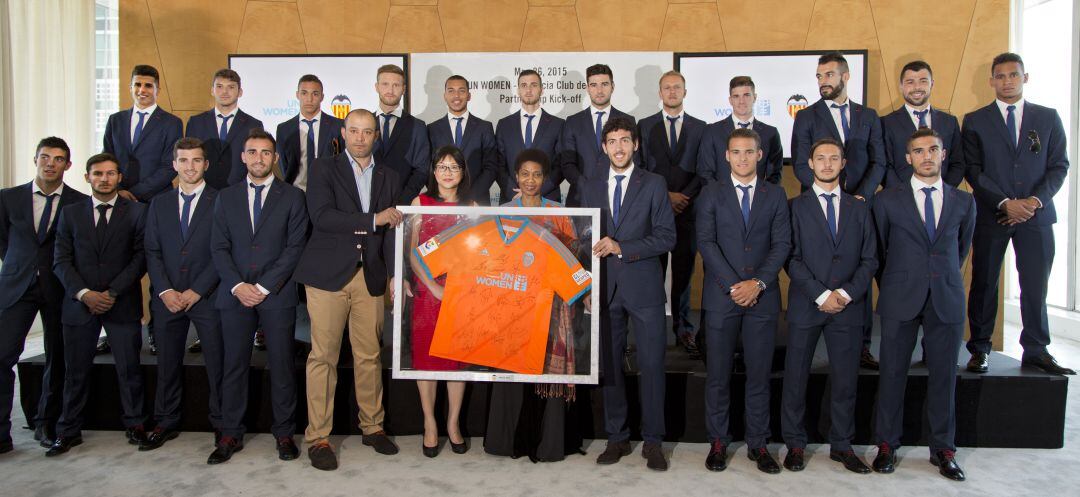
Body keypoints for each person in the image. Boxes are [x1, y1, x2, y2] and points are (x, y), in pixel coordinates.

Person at [294, 109, 403, 471]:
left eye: (367, 132)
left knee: (369, 355)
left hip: (369, 275)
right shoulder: (324, 168)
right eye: (353, 131)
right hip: (327, 276)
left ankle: (372, 427)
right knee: (323, 356)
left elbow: (391, 231)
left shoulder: (390, 175)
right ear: (344, 131)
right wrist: (373, 219)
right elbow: (322, 216)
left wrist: (391, 273)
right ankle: (319, 437)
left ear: (376, 136)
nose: (359, 137)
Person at [871, 127, 975, 481]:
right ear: (908, 157)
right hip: (901, 295)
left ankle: (943, 449)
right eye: (919, 150)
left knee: (945, 376)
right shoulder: (887, 200)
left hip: (945, 298)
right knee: (892, 375)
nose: (926, 156)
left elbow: (960, 250)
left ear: (943, 154)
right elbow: (881, 250)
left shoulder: (963, 201)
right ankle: (886, 444)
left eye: (933, 149)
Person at [963, 52, 1074, 375]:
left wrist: (1033, 202)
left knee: (1035, 284)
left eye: (1013, 75)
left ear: (1025, 78)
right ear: (991, 81)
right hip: (992, 214)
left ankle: (1037, 349)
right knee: (984, 283)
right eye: (1000, 76)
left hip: (1036, 217)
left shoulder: (1048, 118)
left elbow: (1059, 166)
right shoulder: (976, 120)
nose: (1007, 81)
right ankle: (980, 347)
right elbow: (974, 170)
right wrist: (1004, 203)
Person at [208, 129, 308, 464]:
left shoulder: (293, 197)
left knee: (281, 367)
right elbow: (218, 247)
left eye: (266, 153)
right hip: (234, 295)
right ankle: (230, 433)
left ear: (275, 158)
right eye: (252, 152)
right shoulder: (226, 196)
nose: (259, 158)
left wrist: (264, 287)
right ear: (243, 157)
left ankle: (284, 433)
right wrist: (238, 286)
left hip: (276, 296)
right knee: (233, 367)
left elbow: (295, 248)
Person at [580, 117, 675, 471]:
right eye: (612, 141)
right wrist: (585, 285)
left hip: (645, 289)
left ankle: (653, 442)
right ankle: (617, 438)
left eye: (625, 140)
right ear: (604, 147)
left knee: (652, 367)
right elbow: (580, 239)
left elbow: (667, 237)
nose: (619, 147)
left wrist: (623, 247)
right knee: (612, 369)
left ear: (635, 144)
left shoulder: (653, 183)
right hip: (604, 290)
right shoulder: (589, 186)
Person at [696, 128, 790, 474]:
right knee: (718, 376)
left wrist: (759, 283)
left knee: (759, 376)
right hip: (723, 297)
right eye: (736, 152)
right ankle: (718, 442)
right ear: (726, 156)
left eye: (749, 152)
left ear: (760, 155)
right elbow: (706, 243)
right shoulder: (711, 194)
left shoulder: (776, 195)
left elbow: (782, 245)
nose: (742, 158)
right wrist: (736, 285)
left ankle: (758, 443)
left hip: (762, 300)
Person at [781, 138, 877, 473]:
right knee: (796, 377)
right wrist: (821, 294)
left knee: (846, 379)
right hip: (807, 304)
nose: (826, 164)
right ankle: (794, 443)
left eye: (833, 158)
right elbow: (790, 258)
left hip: (848, 307)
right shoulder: (795, 207)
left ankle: (842, 444)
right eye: (820, 158)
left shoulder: (860, 208)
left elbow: (870, 260)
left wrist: (845, 294)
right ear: (809, 164)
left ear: (843, 162)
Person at [485, 148, 584, 462]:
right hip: (513, 305)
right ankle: (508, 440)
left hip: (551, 306)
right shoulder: (503, 211)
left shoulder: (558, 212)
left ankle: (546, 442)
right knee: (513, 371)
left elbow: (573, 255)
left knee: (543, 372)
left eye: (537, 174)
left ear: (546, 179)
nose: (530, 180)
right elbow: (493, 258)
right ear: (516, 177)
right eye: (525, 174)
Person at [47, 153, 148, 456]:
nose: (104, 179)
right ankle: (68, 430)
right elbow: (61, 260)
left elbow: (140, 257)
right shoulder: (70, 213)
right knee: (74, 371)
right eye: (97, 174)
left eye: (110, 173)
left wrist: (112, 292)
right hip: (79, 305)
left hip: (122, 302)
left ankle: (135, 424)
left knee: (129, 370)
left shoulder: (137, 212)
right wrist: (84, 293)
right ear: (87, 177)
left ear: (119, 177)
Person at [791, 51, 886, 370]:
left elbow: (879, 161)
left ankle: (862, 346)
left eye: (829, 75)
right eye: (819, 76)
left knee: (859, 267)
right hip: (818, 208)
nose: (822, 82)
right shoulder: (806, 116)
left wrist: (858, 197)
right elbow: (802, 163)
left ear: (846, 76)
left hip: (858, 207)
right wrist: (826, 192)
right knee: (815, 267)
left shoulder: (868, 115)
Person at [0, 137, 88, 453]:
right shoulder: (8, 198)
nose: (50, 163)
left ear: (68, 165)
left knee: (57, 357)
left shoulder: (79, 202)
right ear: (35, 159)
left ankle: (45, 424)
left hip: (58, 288)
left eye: (58, 158)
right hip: (16, 288)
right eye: (45, 157)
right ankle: (1, 433)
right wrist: (20, 268)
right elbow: (4, 243)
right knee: (3, 355)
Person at [140, 138, 223, 451]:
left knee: (217, 363)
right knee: (167, 363)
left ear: (206, 164)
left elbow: (222, 250)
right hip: (167, 298)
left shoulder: (221, 200)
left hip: (208, 296)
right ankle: (166, 420)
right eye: (184, 161)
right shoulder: (159, 204)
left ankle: (221, 423)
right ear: (174, 165)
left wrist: (196, 290)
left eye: (196, 160)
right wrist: (164, 290)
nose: (190, 167)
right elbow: (152, 249)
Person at [404, 145, 475, 458]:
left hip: (460, 292)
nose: (448, 172)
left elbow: (476, 253)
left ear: (462, 172)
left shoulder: (471, 206)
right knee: (427, 360)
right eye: (442, 167)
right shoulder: (421, 202)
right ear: (433, 172)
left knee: (455, 360)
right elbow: (411, 251)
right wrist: (432, 287)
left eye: (454, 167)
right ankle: (429, 423)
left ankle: (453, 423)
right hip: (427, 293)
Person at [637, 70, 705, 356]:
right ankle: (651, 333)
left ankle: (684, 330)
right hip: (654, 214)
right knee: (653, 276)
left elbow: (705, 170)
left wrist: (683, 197)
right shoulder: (643, 125)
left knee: (683, 277)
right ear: (659, 92)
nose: (672, 92)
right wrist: (665, 197)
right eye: (667, 87)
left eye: (677, 87)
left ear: (685, 92)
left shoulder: (702, 128)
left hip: (688, 212)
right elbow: (639, 169)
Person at [103, 64, 183, 202]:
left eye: (148, 86)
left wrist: (134, 193)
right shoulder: (115, 120)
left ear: (158, 90)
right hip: (118, 198)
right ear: (130, 88)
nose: (142, 90)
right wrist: (120, 190)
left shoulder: (172, 123)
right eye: (137, 84)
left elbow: (170, 166)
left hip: (155, 199)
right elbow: (107, 158)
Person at [881, 60, 964, 188]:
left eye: (923, 81)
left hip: (942, 199)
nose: (917, 87)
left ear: (932, 84)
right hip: (900, 200)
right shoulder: (885, 123)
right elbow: (884, 165)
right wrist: (903, 195)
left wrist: (942, 192)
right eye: (910, 82)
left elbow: (958, 164)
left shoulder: (950, 122)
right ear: (901, 86)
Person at [561, 64, 635, 206]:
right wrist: (585, 186)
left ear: (612, 86)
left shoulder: (628, 120)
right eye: (594, 85)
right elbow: (567, 163)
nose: (599, 90)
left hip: (619, 197)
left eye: (604, 84)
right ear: (587, 88)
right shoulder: (572, 122)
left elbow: (634, 159)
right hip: (580, 198)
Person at [185, 68, 265, 190]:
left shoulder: (253, 124)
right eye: (219, 86)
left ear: (240, 92)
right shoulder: (196, 122)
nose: (225, 92)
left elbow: (255, 161)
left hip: (239, 192)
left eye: (231, 87)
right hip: (202, 191)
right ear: (212, 90)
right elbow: (189, 157)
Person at [495, 69, 565, 203]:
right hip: (512, 199)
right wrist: (513, 192)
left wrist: (535, 191)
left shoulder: (558, 124)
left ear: (541, 90)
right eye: (524, 85)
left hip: (546, 199)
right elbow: (498, 164)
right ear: (518, 91)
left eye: (533, 85)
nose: (528, 90)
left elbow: (560, 165)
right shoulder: (504, 124)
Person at [698, 76, 783, 185]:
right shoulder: (712, 132)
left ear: (755, 97)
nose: (741, 101)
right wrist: (720, 198)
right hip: (720, 200)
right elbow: (705, 172)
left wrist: (761, 199)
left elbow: (775, 175)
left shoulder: (771, 134)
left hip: (759, 200)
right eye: (736, 96)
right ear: (730, 100)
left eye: (746, 95)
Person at [427, 76, 498, 204]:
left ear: (469, 95)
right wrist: (444, 195)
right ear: (445, 96)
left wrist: (470, 197)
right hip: (442, 202)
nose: (456, 96)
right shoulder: (432, 129)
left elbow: (491, 167)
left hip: (476, 201)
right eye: (451, 91)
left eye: (461, 91)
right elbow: (429, 167)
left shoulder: (484, 127)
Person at [372, 64, 430, 204]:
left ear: (403, 89)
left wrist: (402, 202)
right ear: (376, 87)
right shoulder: (363, 123)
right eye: (385, 84)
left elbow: (421, 169)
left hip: (402, 207)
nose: (390, 90)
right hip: (364, 208)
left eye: (396, 85)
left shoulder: (418, 126)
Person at [275, 74, 344, 191]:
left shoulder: (338, 126)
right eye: (304, 93)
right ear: (297, 95)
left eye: (315, 94)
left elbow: (342, 162)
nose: (309, 99)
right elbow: (284, 166)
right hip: (295, 192)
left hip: (329, 192)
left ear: (322, 97)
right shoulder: (284, 129)